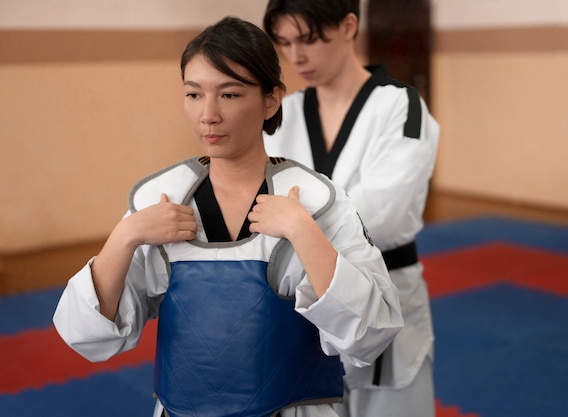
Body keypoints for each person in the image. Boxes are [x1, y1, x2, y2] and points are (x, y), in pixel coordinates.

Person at [53, 16, 404, 417]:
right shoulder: (160, 198)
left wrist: (303, 231)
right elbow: (85, 334)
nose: (208, 115)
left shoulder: (316, 200)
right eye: (193, 94)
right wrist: (125, 235)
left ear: (272, 99)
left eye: (230, 95)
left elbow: (372, 333)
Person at [262, 1, 440, 416]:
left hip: (382, 293)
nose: (295, 57)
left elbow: (386, 215)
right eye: (284, 43)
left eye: (308, 40)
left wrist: (295, 223)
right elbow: (261, 207)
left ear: (348, 26)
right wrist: (294, 225)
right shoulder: (283, 114)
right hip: (301, 306)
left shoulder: (400, 106)